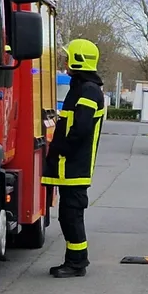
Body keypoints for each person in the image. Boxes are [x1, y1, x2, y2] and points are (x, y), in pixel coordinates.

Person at [42, 38, 105, 278]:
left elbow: (80, 129)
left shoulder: (88, 90)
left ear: (78, 61)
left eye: (69, 57)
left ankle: (77, 262)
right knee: (69, 215)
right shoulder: (81, 87)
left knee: (72, 215)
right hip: (69, 166)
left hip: (74, 167)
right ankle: (75, 260)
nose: (65, 61)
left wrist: (61, 149)